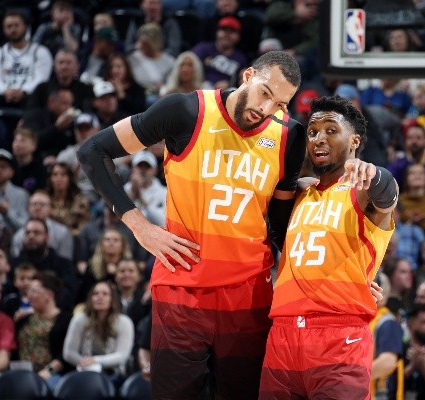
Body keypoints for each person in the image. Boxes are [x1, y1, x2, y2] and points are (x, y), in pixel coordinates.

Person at [77, 51, 305, 399]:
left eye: (280, 103)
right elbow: (93, 150)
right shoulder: (186, 110)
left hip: (248, 295)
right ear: (247, 76)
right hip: (181, 289)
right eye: (264, 93)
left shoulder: (289, 137)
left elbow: (281, 225)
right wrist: (140, 226)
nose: (267, 108)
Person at [259, 96, 398, 398]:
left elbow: (387, 194)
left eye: (331, 130)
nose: (319, 138)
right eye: (313, 132)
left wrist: (373, 172)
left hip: (338, 337)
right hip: (282, 336)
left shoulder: (363, 192)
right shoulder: (298, 193)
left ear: (354, 140)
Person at [63, 281, 134, 387]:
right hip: (84, 371)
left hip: (114, 373)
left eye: (105, 294)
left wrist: (95, 361)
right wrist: (85, 362)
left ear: (113, 299)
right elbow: (69, 353)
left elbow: (122, 355)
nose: (99, 297)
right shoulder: (79, 319)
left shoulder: (124, 322)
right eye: (95, 294)